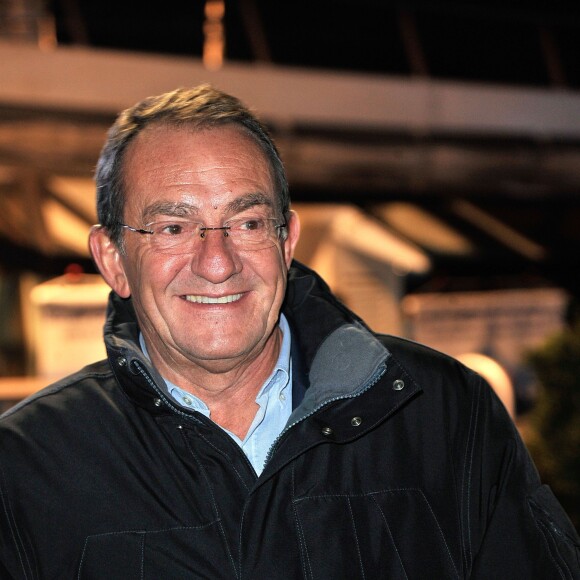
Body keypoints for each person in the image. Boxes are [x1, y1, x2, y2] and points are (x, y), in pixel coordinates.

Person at [0, 84, 578, 580]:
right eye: (173, 227)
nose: (218, 262)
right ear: (113, 259)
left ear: (287, 239)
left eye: (248, 222)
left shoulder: (446, 416)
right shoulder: (28, 465)